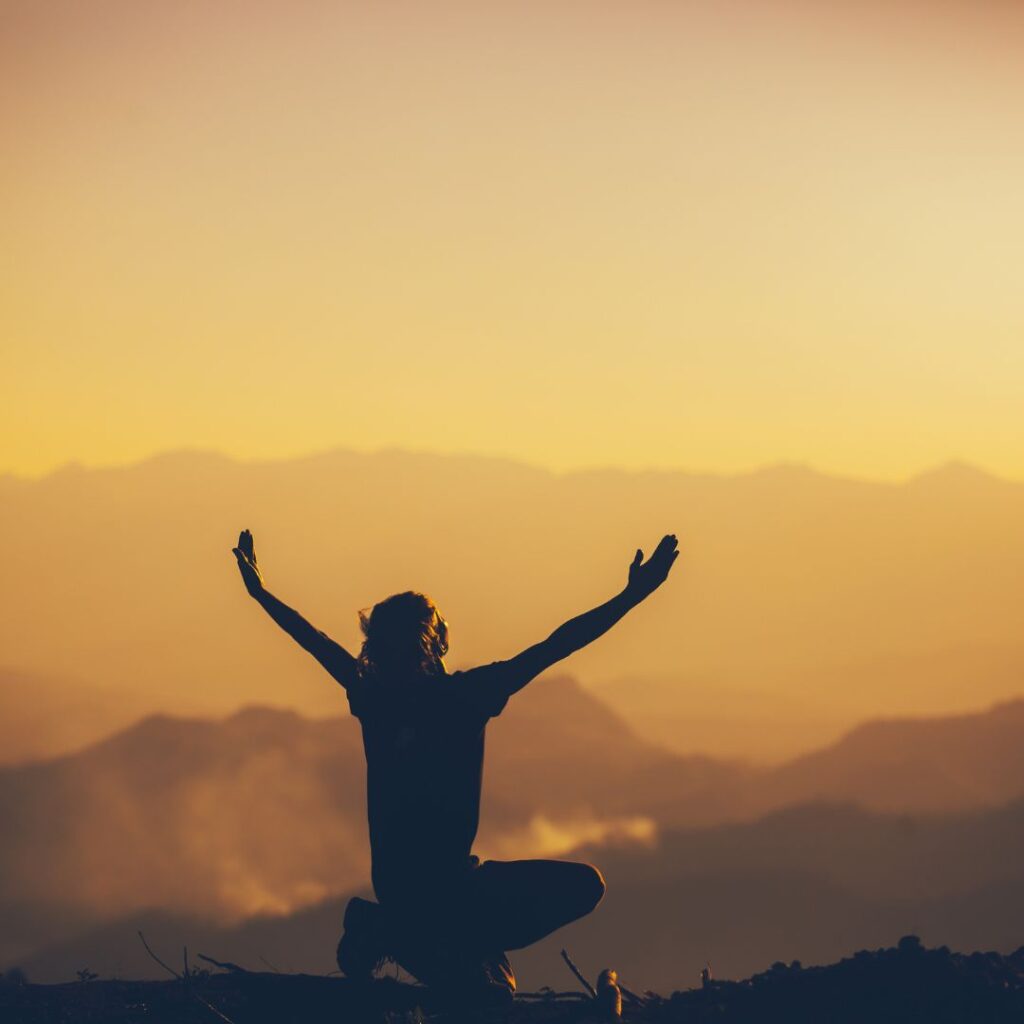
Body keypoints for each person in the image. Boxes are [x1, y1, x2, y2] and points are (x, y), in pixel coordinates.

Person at [232, 528, 679, 1005]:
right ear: (438, 642)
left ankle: (388, 928)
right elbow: (559, 643)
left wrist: (261, 594)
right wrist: (632, 597)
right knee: (583, 890)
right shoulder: (467, 695)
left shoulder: (374, 694)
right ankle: (387, 929)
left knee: (496, 987)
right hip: (447, 894)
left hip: (419, 892)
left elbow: (315, 642)